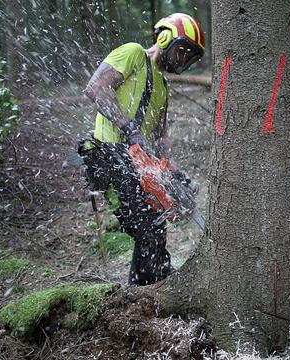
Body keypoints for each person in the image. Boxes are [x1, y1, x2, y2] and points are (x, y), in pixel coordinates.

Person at [80, 13, 205, 286]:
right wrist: (130, 130)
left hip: (136, 161)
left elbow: (161, 137)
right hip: (107, 152)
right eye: (182, 50)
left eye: (189, 56)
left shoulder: (162, 85)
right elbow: (96, 88)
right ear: (165, 38)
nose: (184, 59)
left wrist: (170, 173)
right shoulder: (133, 54)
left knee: (156, 224)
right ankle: (146, 291)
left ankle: (151, 285)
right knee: (147, 226)